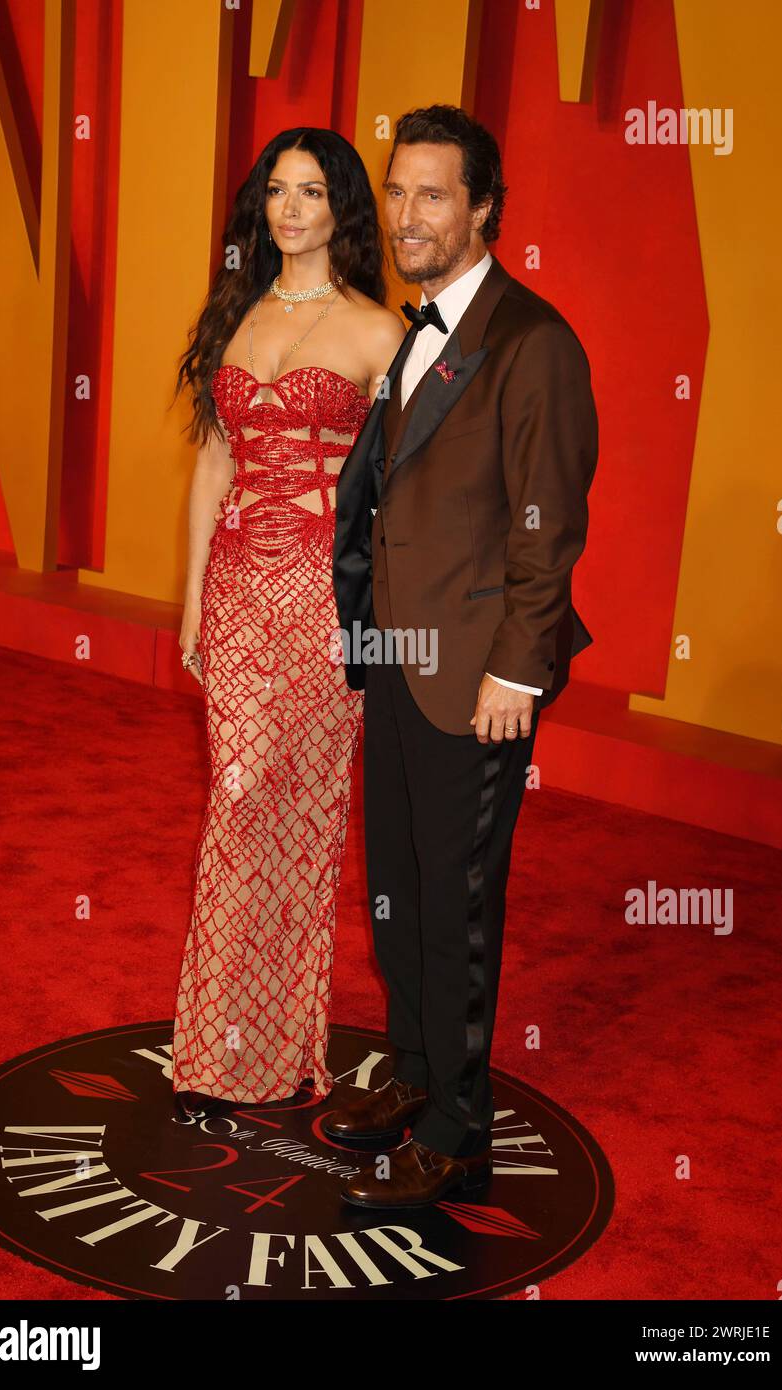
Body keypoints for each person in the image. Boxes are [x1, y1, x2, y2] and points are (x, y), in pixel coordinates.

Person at [329, 104, 598, 1206]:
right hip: (398, 653)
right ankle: (413, 1069)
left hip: (477, 672)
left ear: (483, 209)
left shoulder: (533, 342)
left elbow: (548, 523)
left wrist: (516, 671)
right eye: (396, 192)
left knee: (458, 900)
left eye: (431, 194)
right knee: (394, 884)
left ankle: (458, 1120)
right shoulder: (417, 327)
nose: (406, 215)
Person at [170, 128, 405, 1118]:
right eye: (277, 191)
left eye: (311, 191)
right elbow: (215, 464)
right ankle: (220, 1050)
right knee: (237, 803)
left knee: (279, 810)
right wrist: (190, 597)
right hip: (234, 592)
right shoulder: (235, 312)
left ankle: (255, 1050)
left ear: (341, 207)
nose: (291, 209)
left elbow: (403, 485)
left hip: (320, 599)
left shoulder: (378, 332)